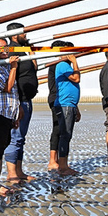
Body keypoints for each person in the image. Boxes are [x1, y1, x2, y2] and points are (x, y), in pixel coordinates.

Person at [0, 39, 22, 196]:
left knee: (2, 147)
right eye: (1, 48)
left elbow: (14, 92)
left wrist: (16, 115)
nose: (5, 50)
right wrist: (14, 68)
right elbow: (7, 87)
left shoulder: (6, 67)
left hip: (8, 114)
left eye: (6, 48)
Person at [4, 23, 38, 182]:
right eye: (23, 33)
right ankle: (12, 173)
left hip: (27, 99)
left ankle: (19, 170)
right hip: (18, 101)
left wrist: (31, 51)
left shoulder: (23, 49)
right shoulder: (11, 49)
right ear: (15, 35)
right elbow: (12, 76)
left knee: (21, 138)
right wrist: (16, 103)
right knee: (15, 137)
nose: (26, 35)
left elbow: (34, 68)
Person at [53, 41, 81, 176]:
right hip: (65, 105)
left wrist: (77, 107)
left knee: (66, 135)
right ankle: (63, 166)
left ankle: (63, 164)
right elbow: (76, 79)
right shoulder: (63, 65)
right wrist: (74, 62)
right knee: (65, 135)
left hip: (70, 105)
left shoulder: (66, 66)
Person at [46, 40, 64, 172]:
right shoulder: (56, 65)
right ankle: (52, 160)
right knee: (57, 128)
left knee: (61, 129)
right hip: (56, 99)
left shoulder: (60, 65)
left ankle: (56, 159)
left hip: (61, 99)